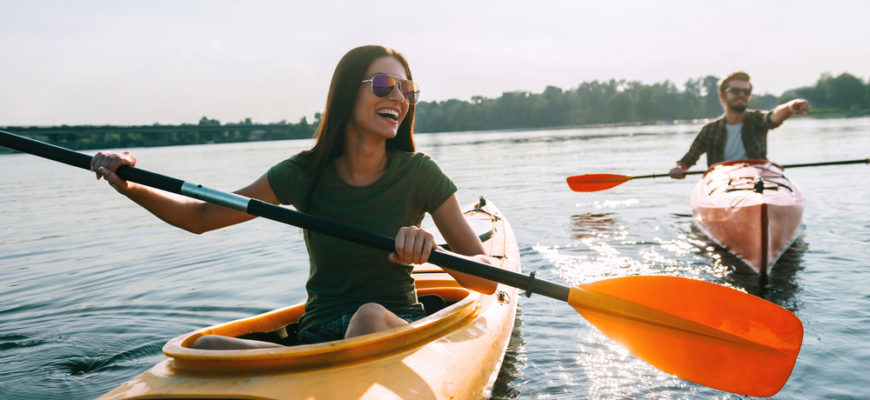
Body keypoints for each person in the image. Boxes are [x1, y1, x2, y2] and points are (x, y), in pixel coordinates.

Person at [89, 45, 497, 349]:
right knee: (202, 346)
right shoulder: (303, 173)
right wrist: (130, 184)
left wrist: (431, 251)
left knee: (368, 317)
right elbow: (200, 217)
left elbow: (485, 279)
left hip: (390, 326)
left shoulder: (420, 173)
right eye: (384, 85)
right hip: (317, 337)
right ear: (345, 93)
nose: (399, 98)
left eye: (407, 90)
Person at [669, 71, 810, 178]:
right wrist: (679, 168)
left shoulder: (757, 120)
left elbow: (773, 117)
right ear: (722, 96)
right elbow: (687, 160)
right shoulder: (709, 130)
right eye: (735, 91)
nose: (742, 94)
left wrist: (790, 107)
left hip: (758, 179)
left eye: (746, 92)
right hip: (722, 182)